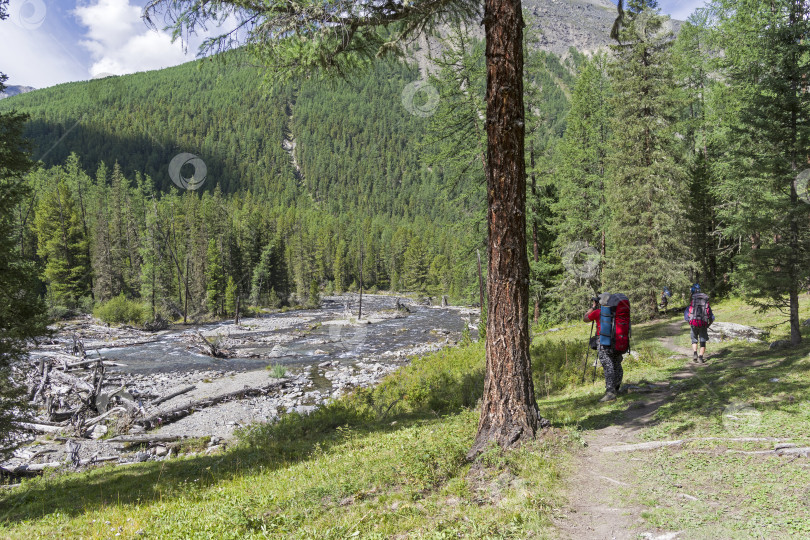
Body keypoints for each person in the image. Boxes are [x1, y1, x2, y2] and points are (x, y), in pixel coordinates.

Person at [584, 293, 624, 401]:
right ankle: (617, 388)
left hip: (603, 341)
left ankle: (610, 392)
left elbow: (585, 318)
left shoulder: (598, 312)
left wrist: (593, 307)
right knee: (616, 363)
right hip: (617, 340)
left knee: (608, 365)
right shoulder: (616, 311)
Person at [684, 284, 714, 363]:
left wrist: (691, 322)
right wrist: (708, 325)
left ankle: (695, 353)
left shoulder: (691, 305)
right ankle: (700, 357)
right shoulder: (706, 305)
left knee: (694, 340)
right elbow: (712, 317)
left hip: (693, 324)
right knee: (702, 341)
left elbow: (686, 317)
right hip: (703, 324)